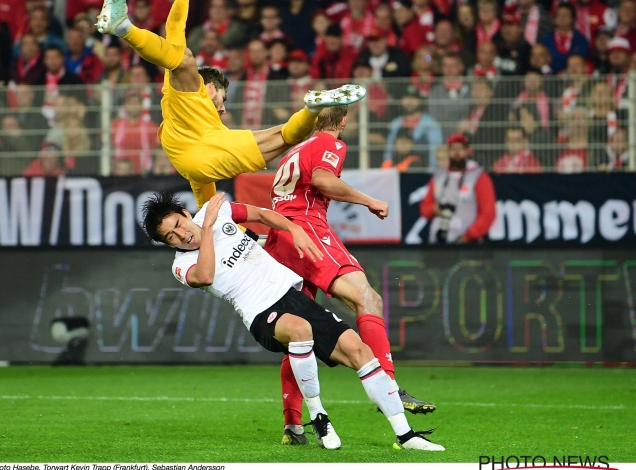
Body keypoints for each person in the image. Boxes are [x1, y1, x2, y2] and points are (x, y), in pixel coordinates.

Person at [142, 190, 445, 452]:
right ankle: (318, 416)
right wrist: (206, 227)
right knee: (300, 331)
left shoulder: (216, 211)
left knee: (361, 352)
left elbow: (261, 214)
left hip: (293, 297)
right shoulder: (182, 265)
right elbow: (206, 276)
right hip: (261, 314)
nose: (182, 235)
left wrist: (293, 229)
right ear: (168, 244)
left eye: (179, 224)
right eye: (171, 236)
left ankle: (405, 435)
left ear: (184, 213)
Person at [96, 0, 364, 208]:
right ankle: (124, 27)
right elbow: (178, 43)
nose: (224, 109)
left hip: (197, 160)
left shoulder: (183, 94)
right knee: (282, 135)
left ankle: (311, 109)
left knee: (286, 136)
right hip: (203, 154)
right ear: (211, 88)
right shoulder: (191, 91)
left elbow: (175, 28)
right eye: (223, 100)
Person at [264, 106, 436, 445]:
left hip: (280, 239)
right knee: (368, 298)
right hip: (307, 232)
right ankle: (388, 383)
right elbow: (323, 181)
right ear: (344, 121)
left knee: (300, 335)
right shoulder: (332, 144)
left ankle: (293, 426)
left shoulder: (293, 150)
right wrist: (369, 201)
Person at [419, 134, 497, 244]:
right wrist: (434, 209)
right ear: (448, 152)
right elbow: (424, 208)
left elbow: (488, 213)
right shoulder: (439, 176)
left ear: (467, 151)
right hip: (437, 243)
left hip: (466, 244)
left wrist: (469, 236)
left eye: (460, 148)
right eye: (453, 149)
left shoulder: (478, 176)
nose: (456, 152)